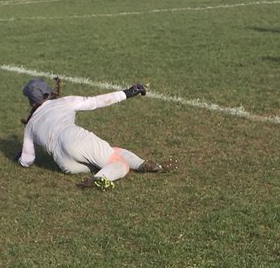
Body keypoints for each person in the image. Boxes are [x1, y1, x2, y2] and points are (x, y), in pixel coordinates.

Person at [16, 77, 171, 187]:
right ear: (48, 92)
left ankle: (142, 164)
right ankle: (99, 180)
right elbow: (95, 102)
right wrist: (128, 92)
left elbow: (27, 160)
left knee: (110, 153)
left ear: (31, 100)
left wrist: (20, 159)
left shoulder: (30, 126)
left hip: (64, 163)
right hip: (73, 138)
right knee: (119, 163)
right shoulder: (63, 102)